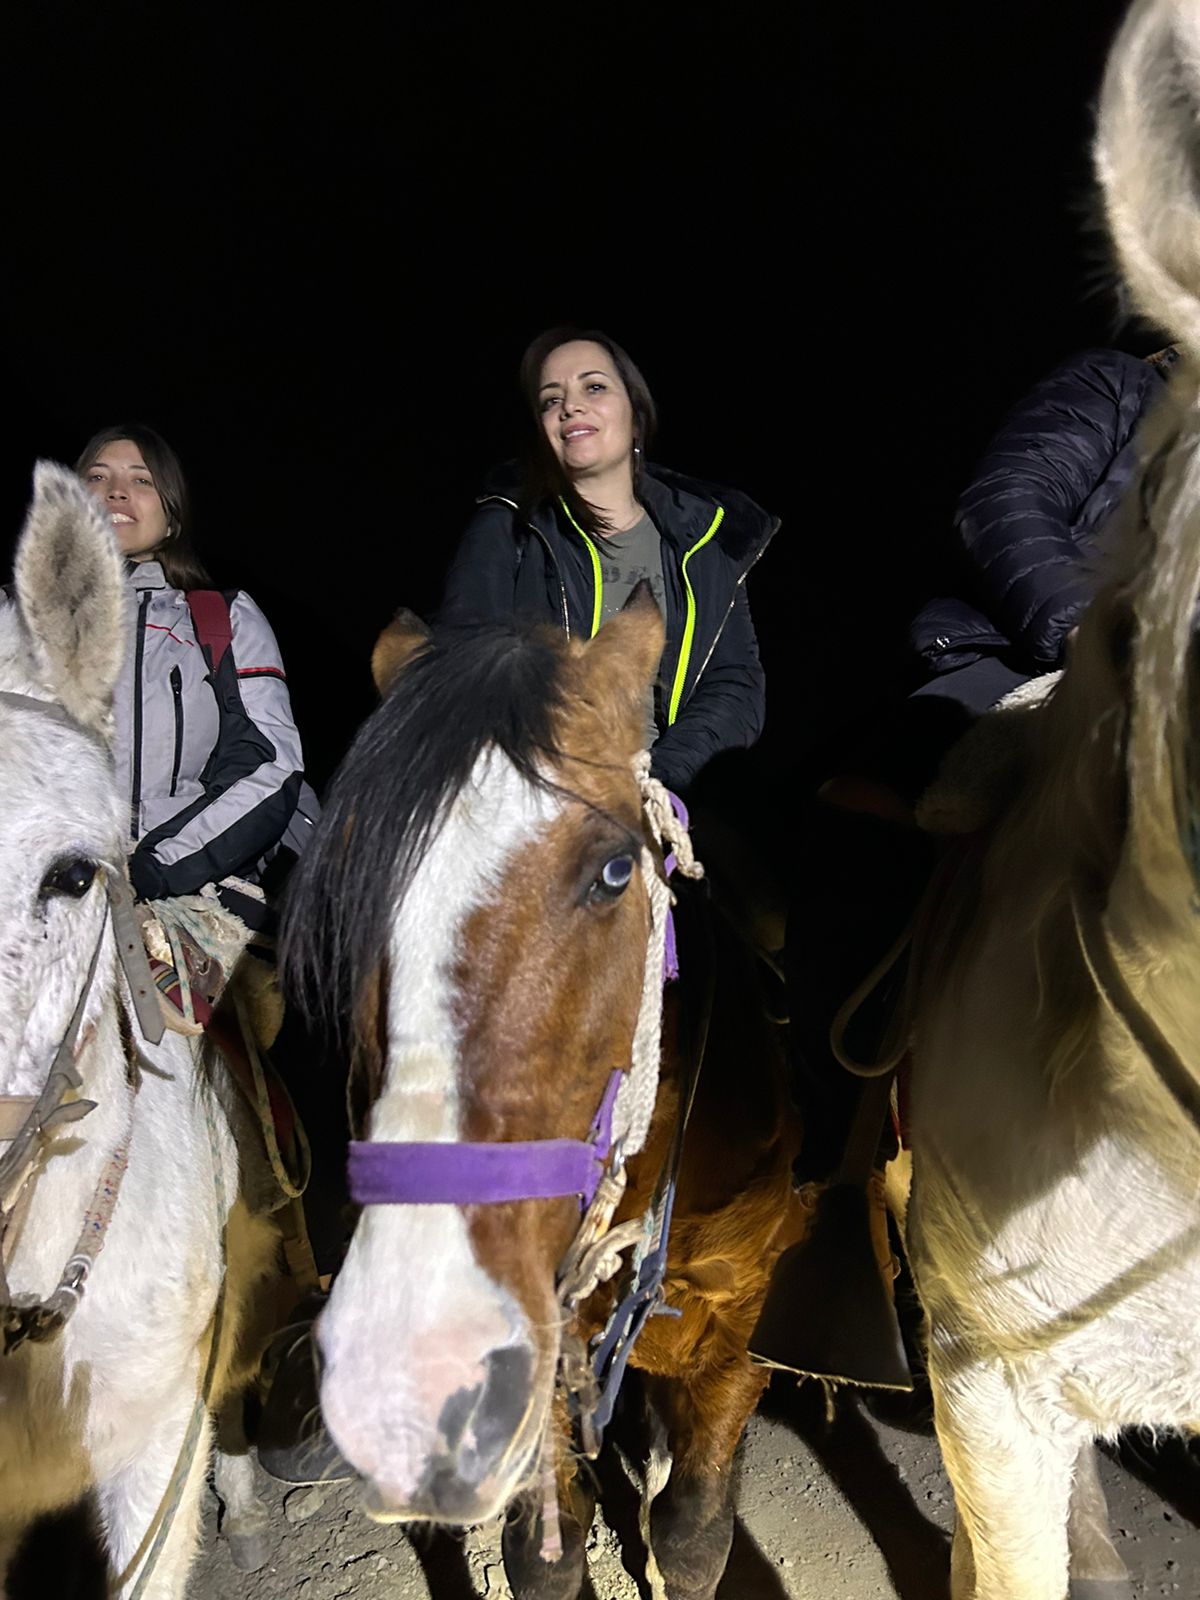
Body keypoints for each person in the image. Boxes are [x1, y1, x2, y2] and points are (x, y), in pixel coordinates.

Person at [756, 344, 1182, 1386]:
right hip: (1040, 658)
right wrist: (1099, 643)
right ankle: (832, 1161)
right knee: (866, 823)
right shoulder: (1117, 388)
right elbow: (1005, 502)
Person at [439, 326, 778, 795]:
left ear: (635, 415)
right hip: (537, 797)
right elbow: (464, 665)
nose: (570, 406)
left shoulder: (706, 541)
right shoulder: (509, 525)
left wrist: (656, 782)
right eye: (550, 400)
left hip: (659, 796)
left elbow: (735, 684)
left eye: (593, 387)